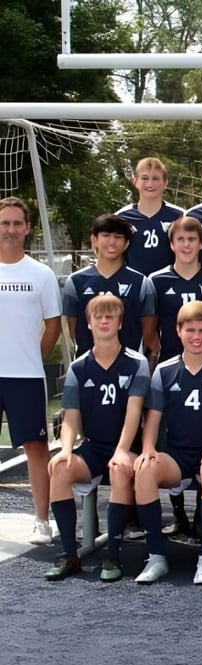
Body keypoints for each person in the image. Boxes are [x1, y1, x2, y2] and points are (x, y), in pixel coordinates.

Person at [131, 300, 202, 584]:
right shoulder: (165, 371)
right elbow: (152, 420)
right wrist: (148, 449)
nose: (196, 336)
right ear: (178, 331)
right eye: (190, 330)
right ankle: (155, 557)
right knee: (144, 469)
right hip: (176, 456)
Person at [44, 295, 149, 581]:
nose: (104, 321)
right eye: (98, 317)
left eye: (110, 316)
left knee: (118, 469)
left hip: (128, 447)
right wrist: (66, 449)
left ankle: (113, 556)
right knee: (60, 469)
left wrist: (123, 450)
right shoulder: (78, 368)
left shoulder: (136, 363)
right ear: (88, 324)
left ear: (119, 322)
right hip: (94, 447)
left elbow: (134, 413)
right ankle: (70, 554)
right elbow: (71, 417)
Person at [0, 197, 62, 544]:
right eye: (4, 222)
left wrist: (33, 358)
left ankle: (42, 520)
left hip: (25, 377)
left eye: (16, 223)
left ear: (26, 228)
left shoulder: (41, 274)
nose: (10, 229)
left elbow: (52, 324)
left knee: (36, 448)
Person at [63, 214, 157, 360]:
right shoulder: (76, 282)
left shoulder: (142, 283)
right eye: (106, 235)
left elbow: (149, 326)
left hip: (129, 366)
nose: (112, 242)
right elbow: (72, 328)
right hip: (88, 366)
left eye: (118, 237)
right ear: (94, 240)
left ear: (126, 243)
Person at [148, 216, 202, 361]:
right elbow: (150, 325)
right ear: (172, 244)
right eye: (180, 239)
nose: (186, 245)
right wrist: (157, 352)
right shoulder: (156, 280)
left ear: (201, 244)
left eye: (192, 239)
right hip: (169, 362)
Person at [117, 156, 185, 276]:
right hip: (133, 285)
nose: (150, 183)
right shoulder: (120, 218)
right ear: (135, 182)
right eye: (145, 178)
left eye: (155, 178)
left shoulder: (181, 217)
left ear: (165, 182)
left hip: (170, 286)